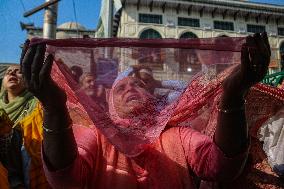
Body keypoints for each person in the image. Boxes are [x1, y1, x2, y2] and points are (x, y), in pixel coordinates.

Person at [21, 33, 270, 189]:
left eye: (139, 86)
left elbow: (221, 167)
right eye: (121, 89)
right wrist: (54, 109)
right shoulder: (96, 135)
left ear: (153, 98)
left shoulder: (176, 135)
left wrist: (234, 97)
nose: (131, 89)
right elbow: (66, 180)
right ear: (109, 107)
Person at [0, 64, 50, 188]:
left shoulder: (38, 105)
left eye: (18, 72)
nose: (12, 74)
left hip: (31, 173)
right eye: (8, 72)